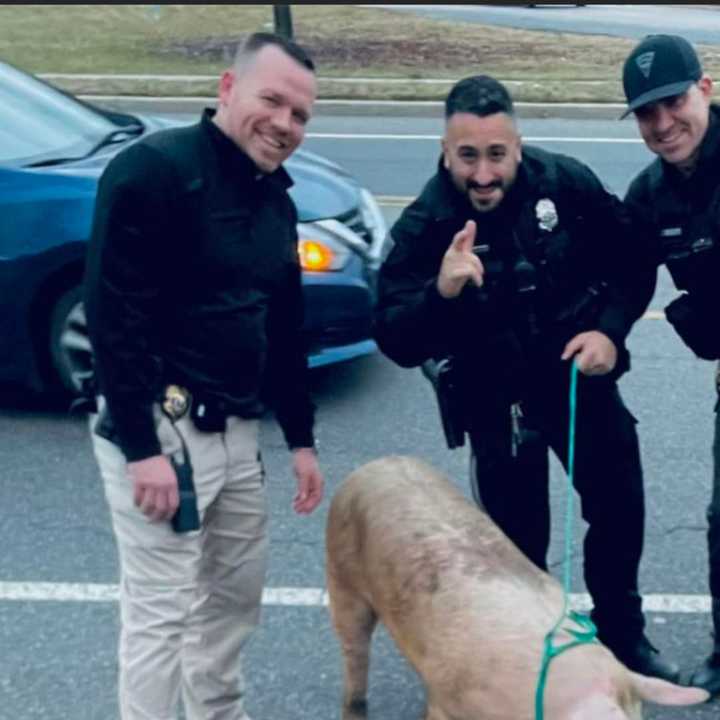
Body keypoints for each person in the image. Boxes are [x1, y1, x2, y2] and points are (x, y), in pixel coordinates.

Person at [373, 74, 679, 681]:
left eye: (496, 154)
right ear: (445, 151)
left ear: (517, 146)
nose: (483, 174)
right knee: (517, 549)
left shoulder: (564, 183)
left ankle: (622, 638)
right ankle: (533, 659)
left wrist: (611, 334)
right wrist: (440, 292)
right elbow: (393, 335)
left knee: (620, 511)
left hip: (576, 379)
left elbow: (633, 257)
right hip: (495, 402)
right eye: (467, 157)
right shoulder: (427, 223)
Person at [83, 32, 324, 720]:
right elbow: (112, 318)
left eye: (300, 115)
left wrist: (300, 441)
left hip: (238, 429)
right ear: (227, 88)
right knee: (160, 616)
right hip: (163, 428)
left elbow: (283, 328)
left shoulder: (275, 201)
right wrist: (140, 449)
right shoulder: (152, 172)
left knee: (232, 603)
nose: (284, 124)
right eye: (271, 100)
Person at [621, 34, 720, 695]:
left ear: (706, 89)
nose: (663, 123)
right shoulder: (650, 195)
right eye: (646, 112)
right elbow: (621, 279)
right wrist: (599, 335)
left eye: (674, 102)